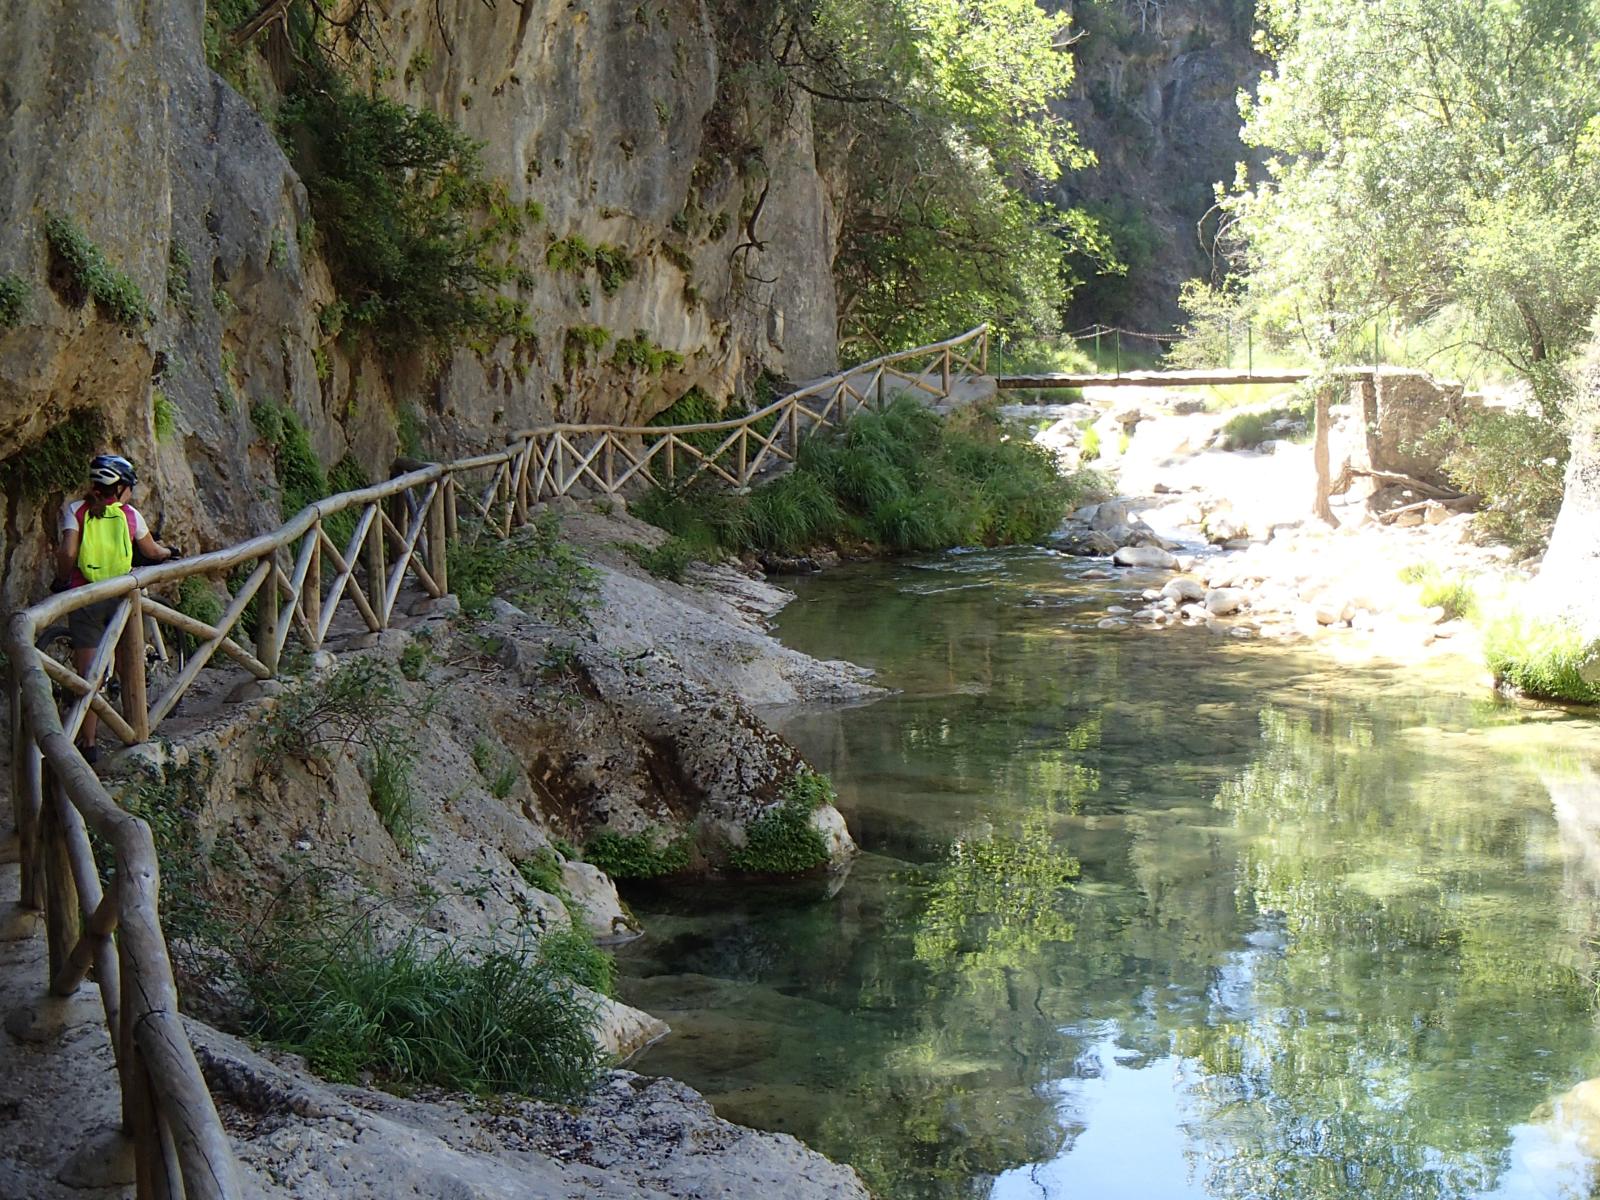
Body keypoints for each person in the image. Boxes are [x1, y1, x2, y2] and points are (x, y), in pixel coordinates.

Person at [52, 454, 178, 761]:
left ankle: (90, 743)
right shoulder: (130, 515)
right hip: (123, 596)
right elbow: (150, 550)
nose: (131, 492)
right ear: (119, 488)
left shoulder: (76, 510)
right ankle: (136, 727)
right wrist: (168, 552)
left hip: (86, 598)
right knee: (128, 661)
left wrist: (62, 579)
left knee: (89, 675)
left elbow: (68, 551)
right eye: (130, 486)